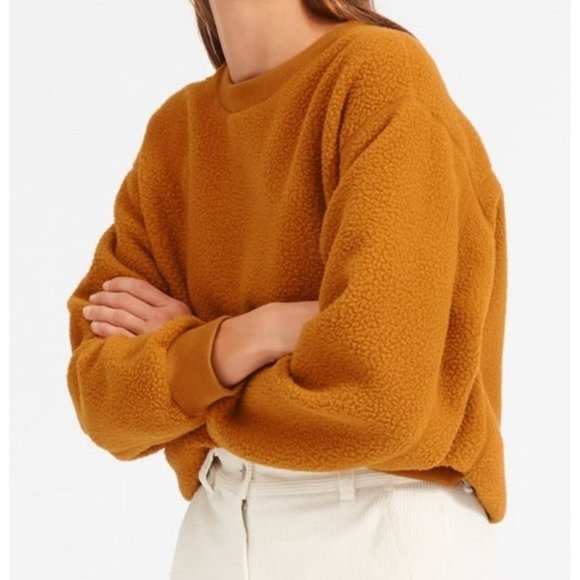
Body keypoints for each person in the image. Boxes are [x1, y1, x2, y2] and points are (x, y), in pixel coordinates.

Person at [65, 0, 508, 578]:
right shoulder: (178, 130)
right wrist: (253, 334)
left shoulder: (378, 75)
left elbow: (379, 400)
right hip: (219, 521)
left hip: (376, 520)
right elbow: (102, 399)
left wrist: (189, 371)